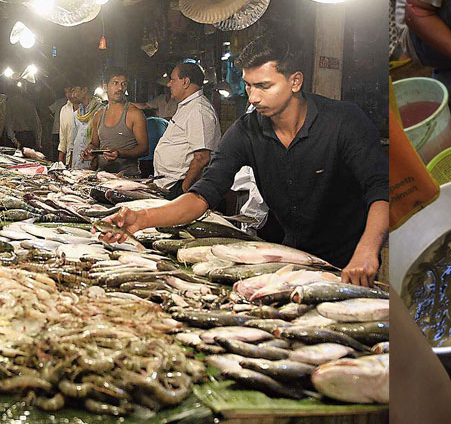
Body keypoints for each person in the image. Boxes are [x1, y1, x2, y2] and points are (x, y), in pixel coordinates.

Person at [100, 35, 389, 287]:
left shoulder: (343, 121)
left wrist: (366, 250)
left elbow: (381, 190)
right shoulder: (247, 130)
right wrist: (142, 219)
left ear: (295, 81)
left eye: (264, 86)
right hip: (290, 259)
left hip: (350, 263)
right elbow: (203, 195)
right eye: (249, 86)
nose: (253, 98)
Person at [153, 60, 221, 196]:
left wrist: (184, 189)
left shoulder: (198, 110)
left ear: (185, 82)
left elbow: (202, 157)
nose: (169, 84)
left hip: (179, 186)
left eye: (173, 80)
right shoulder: (187, 106)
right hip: (168, 184)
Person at [83, 70, 148, 177]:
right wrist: (90, 151)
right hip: (103, 175)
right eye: (115, 83)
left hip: (128, 177)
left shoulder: (134, 114)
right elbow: (95, 143)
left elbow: (144, 149)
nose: (120, 88)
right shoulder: (99, 115)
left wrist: (120, 153)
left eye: (124, 84)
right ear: (105, 86)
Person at [64, 77, 102, 170]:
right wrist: (70, 163)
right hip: (77, 163)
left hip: (91, 164)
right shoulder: (76, 115)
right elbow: (73, 144)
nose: (72, 95)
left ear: (84, 90)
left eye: (75, 91)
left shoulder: (100, 111)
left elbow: (101, 142)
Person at [5, 86, 43, 151]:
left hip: (18, 137)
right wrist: (38, 142)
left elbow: (9, 124)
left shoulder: (9, 103)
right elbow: (37, 125)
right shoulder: (30, 103)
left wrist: (14, 141)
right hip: (30, 137)